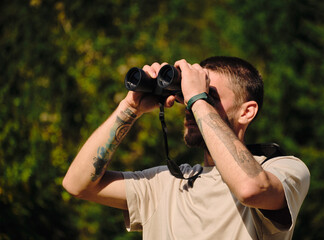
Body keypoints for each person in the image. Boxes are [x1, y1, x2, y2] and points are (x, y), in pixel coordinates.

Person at [63, 56, 310, 239]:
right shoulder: (167, 182)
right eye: (188, 95)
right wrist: (130, 108)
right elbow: (77, 184)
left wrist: (196, 98)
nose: (190, 106)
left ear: (247, 112)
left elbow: (250, 189)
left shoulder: (283, 169)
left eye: (209, 96)